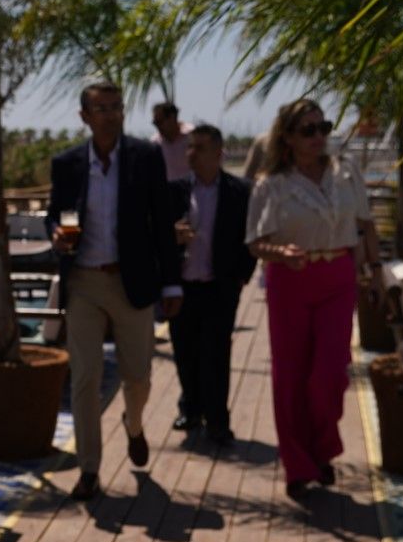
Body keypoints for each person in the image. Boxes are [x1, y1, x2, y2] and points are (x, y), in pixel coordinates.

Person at [48, 82, 183, 500]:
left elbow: (162, 221)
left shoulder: (144, 157)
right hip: (84, 281)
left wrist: (172, 281)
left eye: (116, 107)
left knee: (137, 377)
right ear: (84, 116)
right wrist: (56, 233)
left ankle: (134, 424)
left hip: (133, 281)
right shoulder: (67, 163)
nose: (110, 114)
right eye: (100, 108)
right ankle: (90, 469)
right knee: (85, 379)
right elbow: (58, 214)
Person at [246, 98, 380, 498]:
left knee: (329, 374)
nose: (319, 136)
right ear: (286, 137)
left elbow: (366, 224)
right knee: (290, 376)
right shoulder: (271, 184)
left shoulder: (346, 172)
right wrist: (279, 254)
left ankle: (323, 447)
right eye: (308, 130)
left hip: (338, 275)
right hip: (291, 279)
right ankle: (299, 465)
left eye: (324, 127)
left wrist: (376, 270)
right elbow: (255, 243)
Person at [169, 125, 255, 445]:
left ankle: (218, 420)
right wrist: (172, 237)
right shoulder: (174, 191)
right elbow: (157, 239)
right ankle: (190, 409)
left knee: (216, 354)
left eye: (200, 147)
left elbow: (251, 239)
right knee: (184, 352)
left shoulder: (239, 192)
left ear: (219, 153)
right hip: (182, 287)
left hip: (219, 287)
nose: (191, 153)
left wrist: (241, 277)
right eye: (189, 147)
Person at [152, 101, 193, 183]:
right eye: (155, 123)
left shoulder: (192, 137)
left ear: (172, 118)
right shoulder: (155, 143)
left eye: (160, 122)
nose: (158, 127)